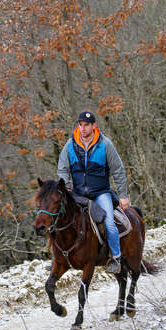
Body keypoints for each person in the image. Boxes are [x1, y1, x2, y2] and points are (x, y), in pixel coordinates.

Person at [57, 111, 131, 274]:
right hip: (77, 193)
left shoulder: (105, 144)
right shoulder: (70, 145)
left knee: (110, 224)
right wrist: (66, 185)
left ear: (93, 126)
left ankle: (115, 258)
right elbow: (62, 169)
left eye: (86, 125)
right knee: (58, 219)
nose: (82, 128)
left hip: (100, 193)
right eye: (80, 125)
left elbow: (118, 170)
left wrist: (123, 196)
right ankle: (59, 258)